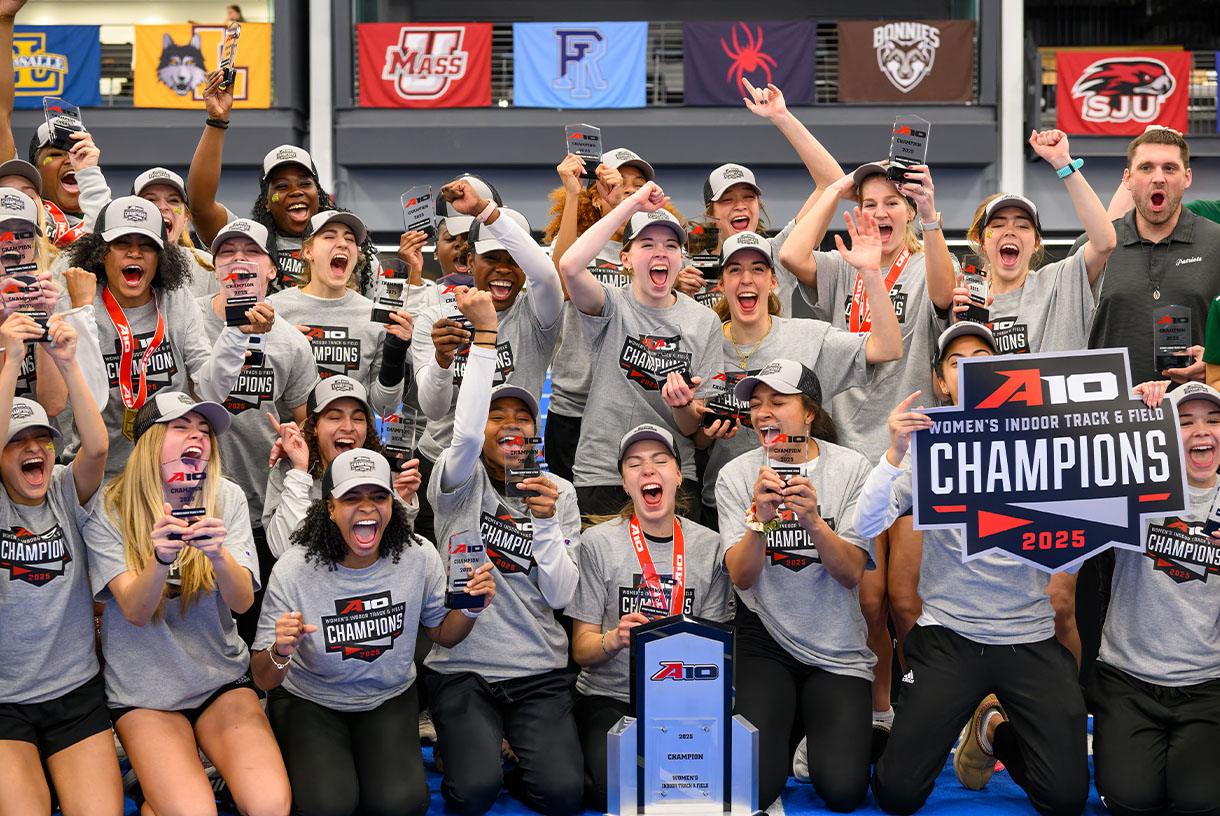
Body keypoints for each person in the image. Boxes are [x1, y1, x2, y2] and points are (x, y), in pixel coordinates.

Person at [856, 323, 1088, 816]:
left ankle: (991, 732)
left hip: (1028, 634)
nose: (972, 369)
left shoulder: (1048, 444)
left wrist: (1138, 415)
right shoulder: (930, 446)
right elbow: (866, 521)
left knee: (1066, 799)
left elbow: (1088, 532)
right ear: (942, 382)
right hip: (949, 635)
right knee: (896, 794)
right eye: (958, 362)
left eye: (984, 357)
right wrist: (893, 452)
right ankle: (982, 726)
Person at [254, 448, 494, 816]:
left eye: (378, 496)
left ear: (392, 504)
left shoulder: (418, 555)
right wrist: (280, 651)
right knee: (328, 806)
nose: (367, 507)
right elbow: (262, 677)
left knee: (400, 805)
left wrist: (471, 610)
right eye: (351, 497)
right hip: (311, 701)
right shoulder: (294, 567)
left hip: (388, 697)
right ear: (330, 508)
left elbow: (443, 634)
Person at [84, 390, 291, 816]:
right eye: (181, 427)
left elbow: (242, 602)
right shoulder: (110, 507)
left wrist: (219, 555)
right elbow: (136, 613)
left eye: (204, 430)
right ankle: (159, 787)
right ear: (150, 443)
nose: (197, 436)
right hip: (146, 694)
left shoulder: (226, 497)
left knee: (270, 806)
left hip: (219, 681)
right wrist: (160, 560)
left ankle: (167, 785)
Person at [425, 286, 584, 816]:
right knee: (472, 794)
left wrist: (544, 525)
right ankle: (474, 750)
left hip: (537, 668)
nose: (511, 423)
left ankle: (507, 751)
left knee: (563, 796)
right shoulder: (457, 482)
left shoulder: (558, 491)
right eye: (499, 415)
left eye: (522, 415)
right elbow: (464, 435)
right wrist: (487, 337)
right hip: (463, 667)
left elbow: (562, 595)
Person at [666, 218, 901, 526]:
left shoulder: (810, 337)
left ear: (774, 281)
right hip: (728, 500)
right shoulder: (703, 342)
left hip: (803, 502)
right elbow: (696, 439)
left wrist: (871, 275)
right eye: (735, 269)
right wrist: (691, 415)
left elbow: (888, 348)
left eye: (758, 269)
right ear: (721, 284)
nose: (746, 279)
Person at [716, 359, 875, 811]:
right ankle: (786, 731)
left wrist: (814, 522)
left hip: (836, 647)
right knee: (757, 790)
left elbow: (849, 574)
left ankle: (812, 733)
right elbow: (742, 576)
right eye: (757, 403)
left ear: (809, 413)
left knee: (843, 791)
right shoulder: (737, 475)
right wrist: (757, 521)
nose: (764, 412)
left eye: (778, 402)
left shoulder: (851, 468)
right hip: (765, 642)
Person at [568, 423, 732, 810]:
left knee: (705, 784)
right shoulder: (598, 544)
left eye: (660, 461)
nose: (648, 470)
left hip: (682, 700)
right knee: (619, 791)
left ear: (678, 475)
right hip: (609, 694)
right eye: (634, 464)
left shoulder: (709, 547)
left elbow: (715, 650)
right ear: (624, 482)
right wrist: (615, 639)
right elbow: (581, 649)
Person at [0, 312, 118, 816]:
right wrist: (11, 364)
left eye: (42, 440)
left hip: (75, 691)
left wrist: (68, 364)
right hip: (5, 702)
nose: (34, 448)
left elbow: (97, 446)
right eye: (17, 441)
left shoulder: (66, 491)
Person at [1086, 380, 1220, 816]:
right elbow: (1086, 461)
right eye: (1185, 422)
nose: (1202, 431)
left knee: (1199, 803)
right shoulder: (1136, 487)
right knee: (1129, 802)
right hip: (1129, 679)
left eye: (1214, 421)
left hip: (1207, 685)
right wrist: (1132, 412)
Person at [63, 196, 262, 477]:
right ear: (100, 252)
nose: (135, 253)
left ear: (161, 256)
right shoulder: (80, 300)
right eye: (122, 243)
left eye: (147, 245)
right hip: (99, 476)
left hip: (170, 476)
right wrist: (80, 313)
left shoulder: (176, 299)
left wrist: (237, 333)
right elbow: (90, 400)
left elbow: (210, 391)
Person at [557, 182, 722, 519]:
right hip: (602, 472)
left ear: (681, 258)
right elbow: (570, 265)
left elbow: (693, 428)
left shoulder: (704, 321)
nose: (660, 252)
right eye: (647, 244)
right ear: (626, 259)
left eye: (671, 245)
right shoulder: (610, 304)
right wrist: (632, 204)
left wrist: (683, 405)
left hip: (673, 475)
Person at [411, 179, 562, 543]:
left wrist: (485, 212)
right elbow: (432, 409)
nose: (503, 269)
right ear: (470, 260)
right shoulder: (435, 316)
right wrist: (442, 361)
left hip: (515, 457)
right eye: (492, 258)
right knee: (449, 574)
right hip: (446, 460)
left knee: (515, 569)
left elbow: (545, 273)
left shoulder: (538, 313)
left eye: (513, 261)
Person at [187, 72, 381, 294]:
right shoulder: (249, 244)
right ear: (267, 202)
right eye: (281, 186)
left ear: (319, 194)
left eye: (305, 184)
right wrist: (216, 122)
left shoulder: (350, 252)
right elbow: (200, 207)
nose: (296, 192)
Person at [544, 147, 659, 483]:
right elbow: (561, 282)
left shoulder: (657, 250)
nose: (631, 188)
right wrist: (572, 194)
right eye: (621, 181)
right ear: (596, 198)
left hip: (634, 401)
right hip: (574, 405)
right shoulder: (579, 246)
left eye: (639, 184)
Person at [691, 80, 845, 317]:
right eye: (728, 199)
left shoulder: (779, 253)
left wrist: (782, 117)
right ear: (711, 213)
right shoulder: (689, 266)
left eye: (748, 197)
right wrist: (675, 289)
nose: (740, 205)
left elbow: (832, 183)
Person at [1090, 127, 1220, 387]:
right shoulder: (1095, 249)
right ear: (1127, 178)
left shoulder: (1216, 242)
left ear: (1187, 177)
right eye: (1146, 168)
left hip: (1195, 416)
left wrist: (1216, 364)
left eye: (1170, 168)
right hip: (1110, 415)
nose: (1158, 178)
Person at [267, 209, 412, 417]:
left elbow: (383, 408)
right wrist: (281, 352)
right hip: (287, 441)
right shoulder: (275, 310)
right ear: (308, 252)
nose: (343, 243)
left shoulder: (375, 316)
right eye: (329, 236)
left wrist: (394, 356)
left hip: (350, 442)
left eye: (350, 239)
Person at [263, 375, 419, 558]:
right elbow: (283, 551)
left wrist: (402, 500)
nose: (348, 427)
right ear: (314, 426)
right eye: (335, 417)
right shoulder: (290, 469)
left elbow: (398, 553)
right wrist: (299, 471)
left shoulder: (383, 471)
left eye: (358, 419)